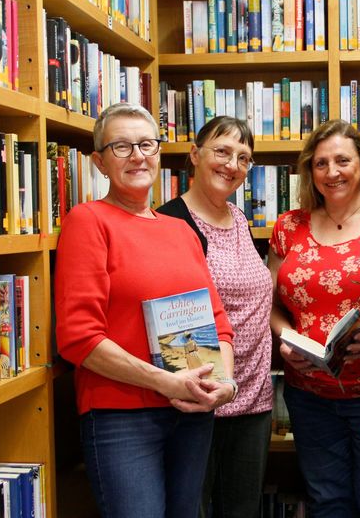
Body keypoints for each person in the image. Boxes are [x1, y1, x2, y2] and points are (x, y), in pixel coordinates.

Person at [54, 103, 237, 518]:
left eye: (146, 144)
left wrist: (225, 386)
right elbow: (78, 337)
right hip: (122, 417)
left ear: (159, 153)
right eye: (121, 146)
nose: (137, 155)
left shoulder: (180, 231)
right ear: (99, 161)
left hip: (193, 411)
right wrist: (164, 383)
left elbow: (219, 326)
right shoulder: (88, 221)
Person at [268, 119, 360, 518]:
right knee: (327, 502)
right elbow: (270, 302)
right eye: (320, 163)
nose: (332, 172)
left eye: (342, 160)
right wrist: (285, 335)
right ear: (310, 171)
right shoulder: (290, 226)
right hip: (308, 395)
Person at [158, 116, 274, 518]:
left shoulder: (240, 218)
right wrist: (206, 392)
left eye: (244, 158)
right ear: (194, 155)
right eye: (222, 151)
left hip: (253, 399)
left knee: (242, 510)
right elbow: (171, 320)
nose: (233, 165)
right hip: (198, 403)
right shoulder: (168, 223)